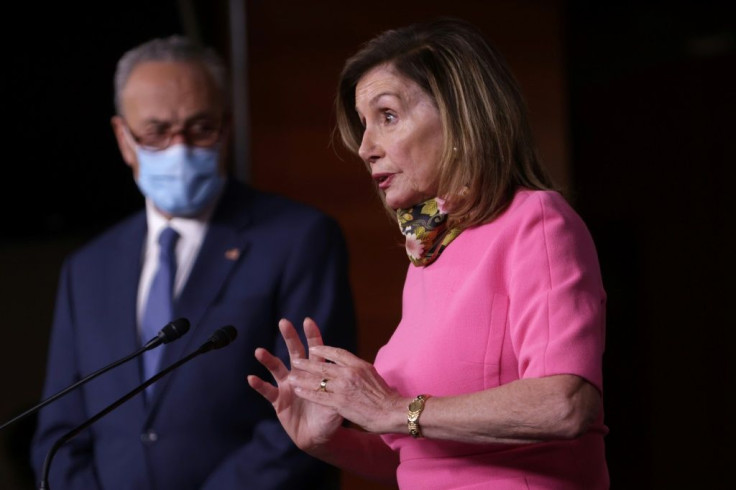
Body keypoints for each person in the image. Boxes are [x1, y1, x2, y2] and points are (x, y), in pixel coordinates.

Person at [248, 18, 609, 489]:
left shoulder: (535, 221)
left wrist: (391, 409)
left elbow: (566, 404)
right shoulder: (429, 255)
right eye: (363, 125)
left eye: (388, 117)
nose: (364, 148)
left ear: (460, 116)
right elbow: (422, 457)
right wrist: (323, 441)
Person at [30, 35, 356, 490]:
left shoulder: (299, 238)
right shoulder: (87, 267)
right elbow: (59, 433)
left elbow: (313, 410)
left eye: (199, 129)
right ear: (123, 139)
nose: (179, 148)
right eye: (156, 132)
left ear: (227, 127)